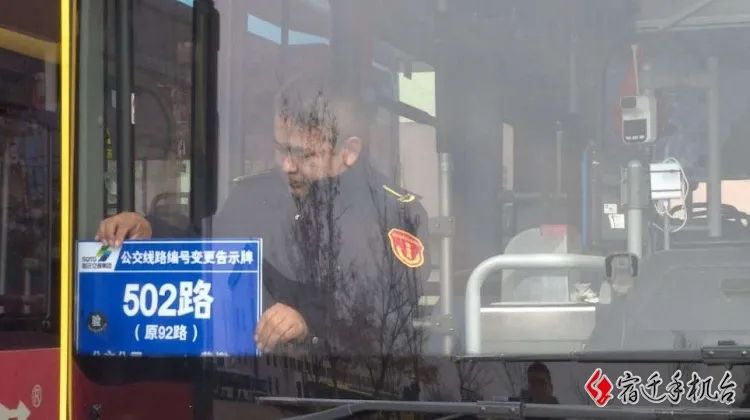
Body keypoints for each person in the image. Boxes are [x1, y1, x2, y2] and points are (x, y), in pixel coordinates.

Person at [96, 69, 431, 356]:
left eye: (303, 154)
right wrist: (149, 231)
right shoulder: (254, 197)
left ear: (349, 152)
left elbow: (383, 312)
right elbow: (207, 252)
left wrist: (310, 323)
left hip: (349, 392)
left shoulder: (395, 216)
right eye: (280, 149)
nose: (287, 166)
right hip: (249, 385)